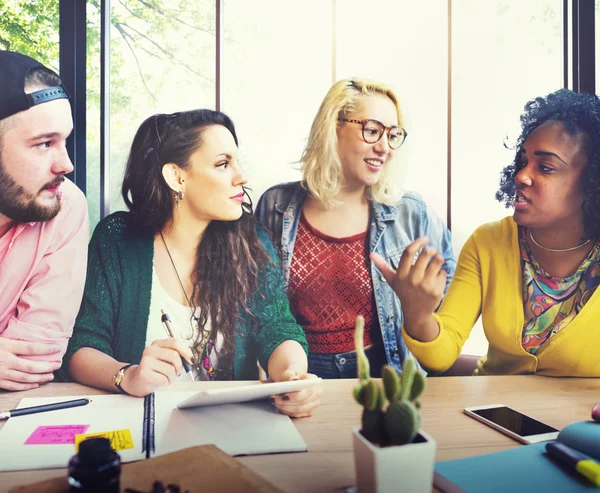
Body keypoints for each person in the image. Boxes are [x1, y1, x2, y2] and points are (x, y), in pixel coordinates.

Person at [61, 109, 321, 417]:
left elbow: (277, 329)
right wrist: (128, 375)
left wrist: (292, 376)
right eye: (223, 164)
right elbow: (82, 346)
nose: (242, 177)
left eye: (236, 162)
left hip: (231, 426)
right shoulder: (117, 239)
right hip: (140, 424)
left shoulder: (251, 241)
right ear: (177, 176)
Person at [372, 88, 600, 377]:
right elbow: (442, 354)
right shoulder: (489, 242)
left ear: (593, 182)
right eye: (522, 162)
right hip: (499, 416)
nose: (521, 176)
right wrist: (418, 315)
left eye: (545, 167)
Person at [256, 78, 455, 379]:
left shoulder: (412, 212)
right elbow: (260, 307)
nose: (384, 147)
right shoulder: (276, 205)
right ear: (333, 127)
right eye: (372, 130)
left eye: (393, 135)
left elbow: (451, 301)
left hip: (387, 374)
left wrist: (421, 309)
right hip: (300, 374)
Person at [0, 50, 89, 391]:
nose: (65, 165)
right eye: (44, 144)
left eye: (64, 140)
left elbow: (34, 361)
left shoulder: (64, 204)